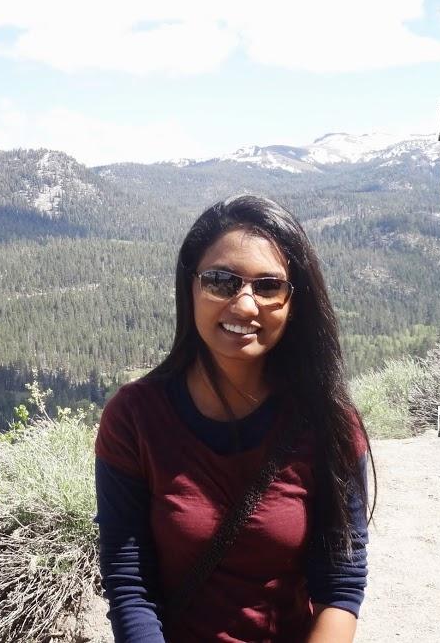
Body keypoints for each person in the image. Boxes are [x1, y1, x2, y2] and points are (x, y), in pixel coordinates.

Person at [94, 195, 376, 642]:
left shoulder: (328, 422)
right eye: (221, 281)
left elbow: (340, 584)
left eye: (268, 286)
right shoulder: (134, 418)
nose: (245, 306)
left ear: (294, 300)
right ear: (189, 287)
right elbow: (130, 584)